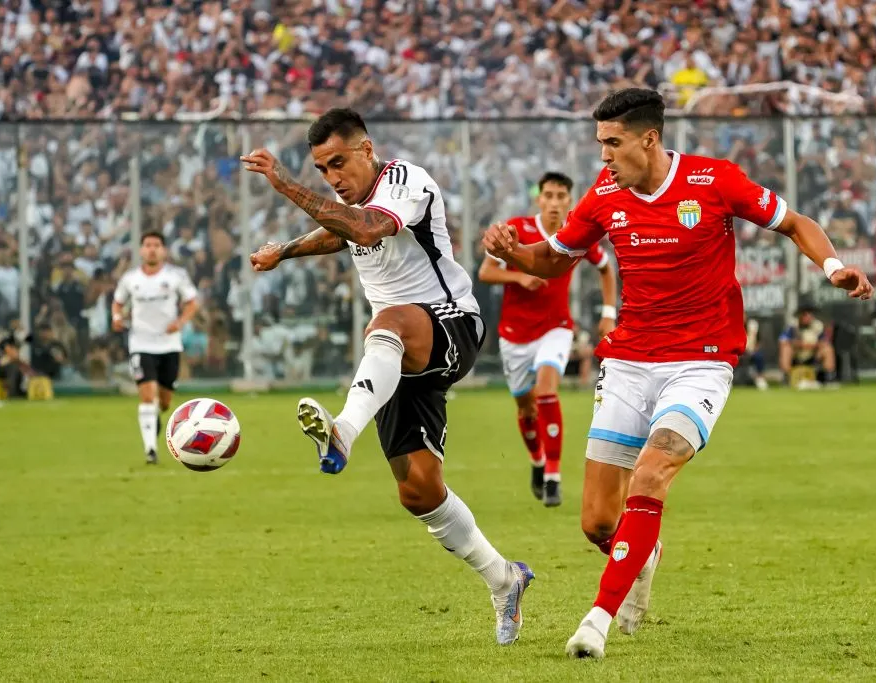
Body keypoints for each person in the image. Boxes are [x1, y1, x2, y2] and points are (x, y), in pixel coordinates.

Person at [483, 88, 874, 659]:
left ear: (649, 138)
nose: (603, 157)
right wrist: (514, 253)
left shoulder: (713, 181)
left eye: (612, 143)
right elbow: (554, 258)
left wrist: (833, 266)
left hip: (701, 361)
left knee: (651, 474)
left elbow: (795, 223)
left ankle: (597, 619)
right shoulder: (605, 195)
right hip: (628, 363)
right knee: (596, 523)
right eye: (599, 144)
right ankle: (642, 550)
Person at [241, 108, 533, 646]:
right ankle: (505, 578)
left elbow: (367, 228)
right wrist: (284, 251)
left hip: (451, 326)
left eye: (338, 163)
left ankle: (342, 433)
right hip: (397, 356)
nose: (332, 177)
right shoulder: (352, 202)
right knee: (419, 492)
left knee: (388, 319)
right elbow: (339, 235)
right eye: (322, 169)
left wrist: (285, 184)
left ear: (366, 149)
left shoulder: (405, 181)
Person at [477, 171, 618, 507]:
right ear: (538, 199)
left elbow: (605, 266)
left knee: (546, 389)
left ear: (570, 200)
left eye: (561, 197)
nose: (554, 203)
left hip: (556, 327)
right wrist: (520, 276)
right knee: (526, 408)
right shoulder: (517, 229)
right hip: (514, 335)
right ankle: (538, 461)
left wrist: (609, 312)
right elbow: (485, 272)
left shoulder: (577, 233)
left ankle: (553, 476)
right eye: (549, 196)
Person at [112, 232, 199, 464]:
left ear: (163, 251)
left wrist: (180, 323)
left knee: (164, 401)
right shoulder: (130, 279)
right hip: (140, 344)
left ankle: (153, 420)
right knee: (147, 394)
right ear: (141, 250)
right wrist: (116, 317)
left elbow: (192, 302)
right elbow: (118, 302)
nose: (152, 249)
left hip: (169, 345)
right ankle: (151, 449)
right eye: (148, 245)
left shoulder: (176, 276)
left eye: (156, 245)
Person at [778, 305, 835, 388]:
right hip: (797, 355)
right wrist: (800, 344)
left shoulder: (817, 326)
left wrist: (813, 346)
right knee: (786, 349)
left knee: (828, 349)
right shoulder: (793, 326)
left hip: (813, 355)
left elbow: (824, 342)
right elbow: (783, 341)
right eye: (805, 315)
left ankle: (829, 378)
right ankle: (787, 378)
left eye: (810, 314)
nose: (808, 317)